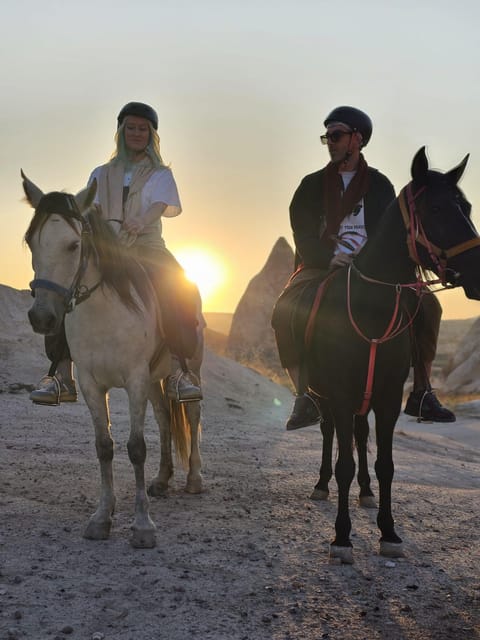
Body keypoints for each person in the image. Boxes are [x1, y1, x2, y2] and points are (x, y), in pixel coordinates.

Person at [272, 105, 455, 429]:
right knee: (285, 309)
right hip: (322, 265)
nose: (330, 141)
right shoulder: (310, 186)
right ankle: (305, 395)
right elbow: (301, 233)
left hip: (373, 268)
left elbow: (392, 233)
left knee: (428, 304)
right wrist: (329, 259)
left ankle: (422, 392)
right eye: (327, 136)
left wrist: (372, 262)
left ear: (357, 139)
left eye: (337, 135)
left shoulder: (380, 186)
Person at [30, 101, 202, 405]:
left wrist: (141, 220)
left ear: (151, 135)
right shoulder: (100, 173)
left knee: (179, 286)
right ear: (121, 132)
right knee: (65, 286)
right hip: (107, 250)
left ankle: (178, 370)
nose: (136, 133)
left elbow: (158, 206)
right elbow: (87, 208)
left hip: (146, 248)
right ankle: (61, 375)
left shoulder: (161, 174)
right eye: (131, 128)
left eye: (142, 129)